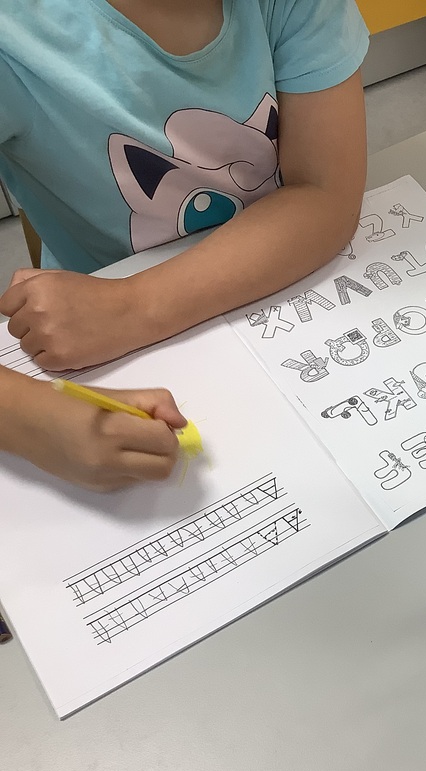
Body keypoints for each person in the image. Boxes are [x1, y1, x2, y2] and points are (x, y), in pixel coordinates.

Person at [0, 0, 370, 489]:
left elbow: (324, 194)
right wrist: (27, 418)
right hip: (95, 338)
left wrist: (132, 306)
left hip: (266, 296)